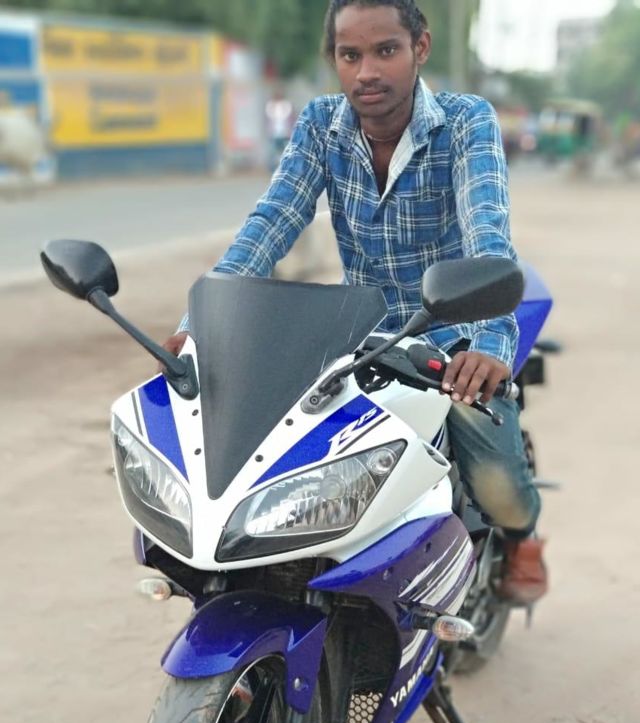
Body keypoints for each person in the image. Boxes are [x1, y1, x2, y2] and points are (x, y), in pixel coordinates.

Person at [164, 0, 547, 603]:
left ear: (420, 48)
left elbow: (487, 234)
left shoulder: (465, 121)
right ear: (335, 60)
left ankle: (523, 538)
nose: (367, 71)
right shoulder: (322, 124)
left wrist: (490, 341)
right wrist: (201, 323)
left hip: (453, 335)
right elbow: (272, 222)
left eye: (385, 50)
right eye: (351, 55)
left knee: (491, 456)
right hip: (361, 335)